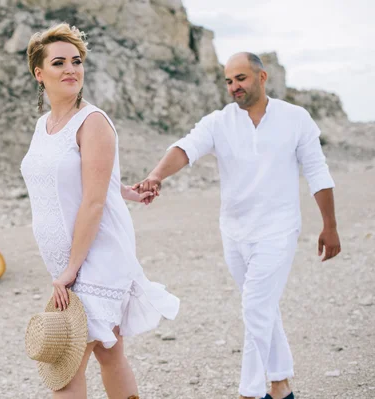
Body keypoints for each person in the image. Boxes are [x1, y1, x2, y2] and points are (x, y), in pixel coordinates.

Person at [134, 52, 341, 399]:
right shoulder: (219, 122)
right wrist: (156, 175)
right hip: (234, 232)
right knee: (262, 304)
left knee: (255, 306)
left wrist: (330, 225)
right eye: (229, 81)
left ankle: (249, 392)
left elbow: (317, 173)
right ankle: (280, 383)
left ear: (262, 77)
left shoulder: (295, 118)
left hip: (278, 229)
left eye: (241, 79)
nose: (234, 87)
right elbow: (186, 148)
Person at [20, 23, 180, 398]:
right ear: (39, 74)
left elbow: (93, 202)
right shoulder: (43, 125)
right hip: (67, 260)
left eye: (76, 61)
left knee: (65, 369)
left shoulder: (93, 122)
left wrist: (70, 271)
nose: (70, 69)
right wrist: (127, 191)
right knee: (110, 353)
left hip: (95, 258)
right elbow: (82, 179)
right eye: (58, 62)